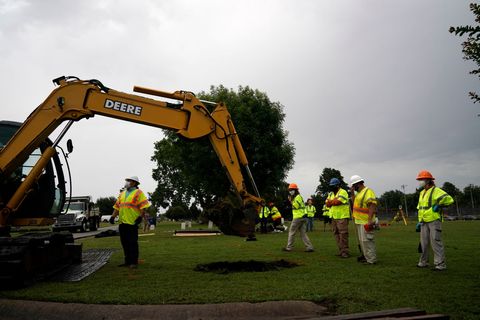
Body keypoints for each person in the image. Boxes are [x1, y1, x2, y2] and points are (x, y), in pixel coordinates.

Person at [415, 170, 454, 271]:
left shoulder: (436, 190)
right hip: (423, 221)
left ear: (428, 180)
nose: (420, 181)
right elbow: (421, 208)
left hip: (433, 221)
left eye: (422, 179)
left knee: (436, 242)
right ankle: (423, 262)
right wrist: (419, 221)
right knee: (423, 243)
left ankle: (440, 264)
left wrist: (438, 205)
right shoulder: (422, 192)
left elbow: (449, 199)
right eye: (419, 179)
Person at [110, 176, 151, 268]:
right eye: (127, 181)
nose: (127, 182)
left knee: (132, 242)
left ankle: (133, 262)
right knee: (124, 243)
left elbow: (143, 206)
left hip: (132, 222)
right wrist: (113, 217)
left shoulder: (138, 193)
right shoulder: (122, 194)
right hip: (122, 222)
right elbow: (117, 207)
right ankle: (127, 261)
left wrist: (140, 217)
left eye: (129, 181)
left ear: (134, 183)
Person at [350, 175, 377, 264]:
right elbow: (355, 203)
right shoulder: (359, 193)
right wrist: (352, 194)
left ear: (358, 184)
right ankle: (366, 257)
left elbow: (372, 206)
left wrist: (369, 221)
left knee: (367, 241)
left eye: (353, 186)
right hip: (359, 220)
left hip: (366, 221)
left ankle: (371, 260)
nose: (353, 187)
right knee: (363, 242)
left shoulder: (368, 192)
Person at [283, 183, 314, 252]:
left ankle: (289, 247)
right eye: (289, 190)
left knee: (291, 232)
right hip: (303, 217)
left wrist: (290, 201)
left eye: (291, 190)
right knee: (303, 233)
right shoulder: (298, 197)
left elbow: (295, 206)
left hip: (298, 217)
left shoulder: (297, 197)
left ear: (295, 190)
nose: (290, 191)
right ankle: (309, 247)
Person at [326, 178, 350, 258]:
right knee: (336, 234)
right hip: (333, 217)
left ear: (338, 185)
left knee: (343, 234)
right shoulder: (330, 193)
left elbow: (338, 202)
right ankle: (341, 250)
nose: (332, 187)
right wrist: (333, 201)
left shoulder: (343, 192)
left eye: (333, 186)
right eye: (331, 186)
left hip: (342, 216)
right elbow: (327, 204)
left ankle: (345, 252)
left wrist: (331, 202)